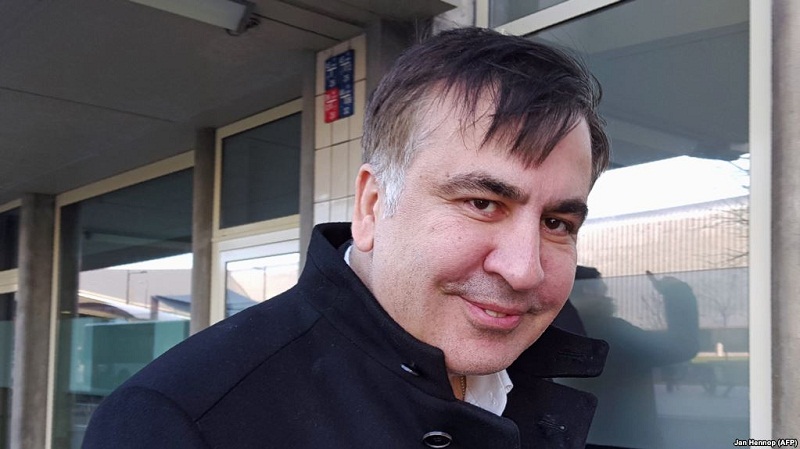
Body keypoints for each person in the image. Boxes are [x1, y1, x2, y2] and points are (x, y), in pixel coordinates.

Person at [83, 27, 611, 448]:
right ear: (372, 206)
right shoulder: (176, 421)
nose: (524, 270)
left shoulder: (531, 377)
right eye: (482, 203)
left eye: (556, 224)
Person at [563, 266, 699, 449]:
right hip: (625, 438)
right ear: (588, 289)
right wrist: (676, 292)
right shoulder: (609, 331)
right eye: (602, 285)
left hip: (576, 437)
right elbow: (682, 346)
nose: (606, 289)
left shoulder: (559, 330)